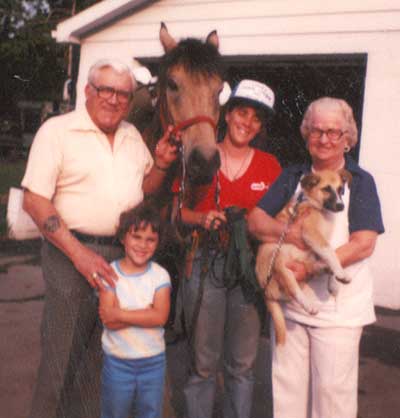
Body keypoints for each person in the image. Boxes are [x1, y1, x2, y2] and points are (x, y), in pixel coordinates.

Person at [21, 59, 178, 418]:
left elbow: (144, 190)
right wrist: (79, 256)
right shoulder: (58, 131)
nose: (114, 100)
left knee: (101, 362)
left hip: (119, 259)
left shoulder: (130, 135)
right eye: (105, 90)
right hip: (71, 253)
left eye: (123, 93)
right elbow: (34, 199)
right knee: (60, 362)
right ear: (88, 91)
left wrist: (163, 163)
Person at [248, 97, 385, 418]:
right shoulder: (293, 175)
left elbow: (363, 243)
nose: (324, 139)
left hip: (338, 312)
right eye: (316, 131)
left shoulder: (359, 181)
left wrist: (307, 269)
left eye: (334, 132)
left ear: (348, 138)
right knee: (287, 395)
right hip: (292, 307)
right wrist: (294, 236)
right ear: (306, 134)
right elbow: (256, 221)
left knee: (332, 399)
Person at [176, 79, 282, 418]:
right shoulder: (201, 154)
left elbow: (280, 217)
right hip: (206, 261)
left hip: (250, 268)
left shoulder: (270, 166)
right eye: (241, 112)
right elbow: (178, 212)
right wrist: (202, 217)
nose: (246, 123)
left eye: (256, 118)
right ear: (227, 114)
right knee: (203, 363)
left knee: (242, 364)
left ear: (261, 126)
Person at [97, 202, 171, 418]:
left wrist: (120, 312)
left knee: (150, 413)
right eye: (136, 236)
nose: (143, 245)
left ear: (158, 243)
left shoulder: (160, 276)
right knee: (114, 413)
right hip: (118, 363)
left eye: (150, 240)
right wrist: (145, 313)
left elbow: (160, 317)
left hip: (153, 363)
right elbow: (108, 321)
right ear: (123, 237)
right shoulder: (109, 273)